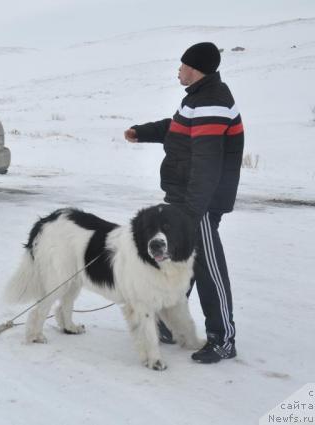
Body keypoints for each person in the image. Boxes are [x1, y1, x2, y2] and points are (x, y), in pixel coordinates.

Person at [123, 42, 244, 364]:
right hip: (188, 200)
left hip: (198, 203)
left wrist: (191, 213)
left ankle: (222, 338)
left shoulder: (212, 102)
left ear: (196, 68)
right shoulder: (199, 100)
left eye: (182, 65)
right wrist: (143, 131)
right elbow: (177, 129)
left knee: (207, 268)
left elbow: (207, 162)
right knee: (183, 264)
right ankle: (171, 325)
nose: (178, 70)